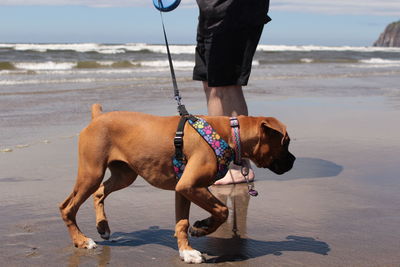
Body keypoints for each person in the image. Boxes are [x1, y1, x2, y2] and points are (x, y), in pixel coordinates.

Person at [193, 0, 271, 185]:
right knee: (210, 84)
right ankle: (221, 158)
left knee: (226, 85)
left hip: (234, 10)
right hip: (209, 12)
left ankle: (238, 164)